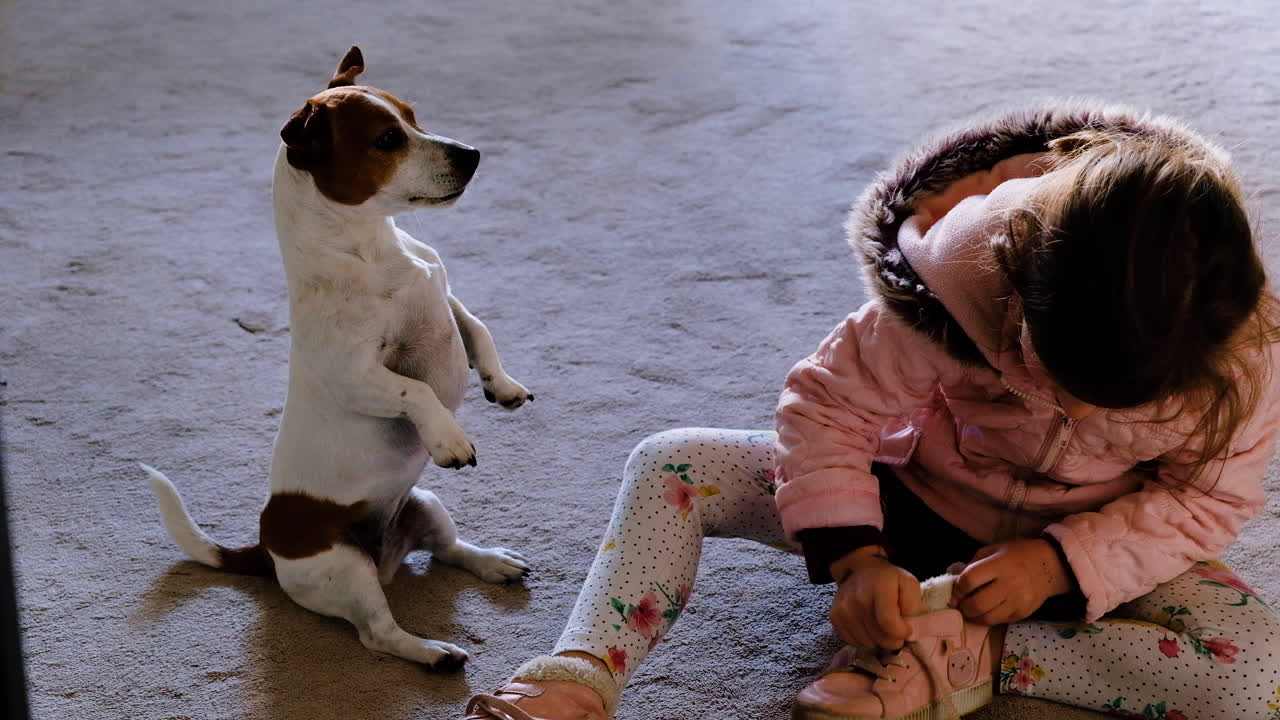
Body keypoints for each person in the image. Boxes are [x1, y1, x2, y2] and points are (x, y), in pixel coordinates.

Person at [462, 102, 1280, 720]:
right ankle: (577, 675)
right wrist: (855, 555)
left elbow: (1207, 500)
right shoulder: (959, 281)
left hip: (1080, 542)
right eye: (1045, 369)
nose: (1061, 402)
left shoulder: (1243, 355)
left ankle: (971, 654)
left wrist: (1064, 566)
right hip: (908, 496)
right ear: (1021, 288)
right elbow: (828, 410)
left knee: (1258, 673)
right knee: (673, 461)